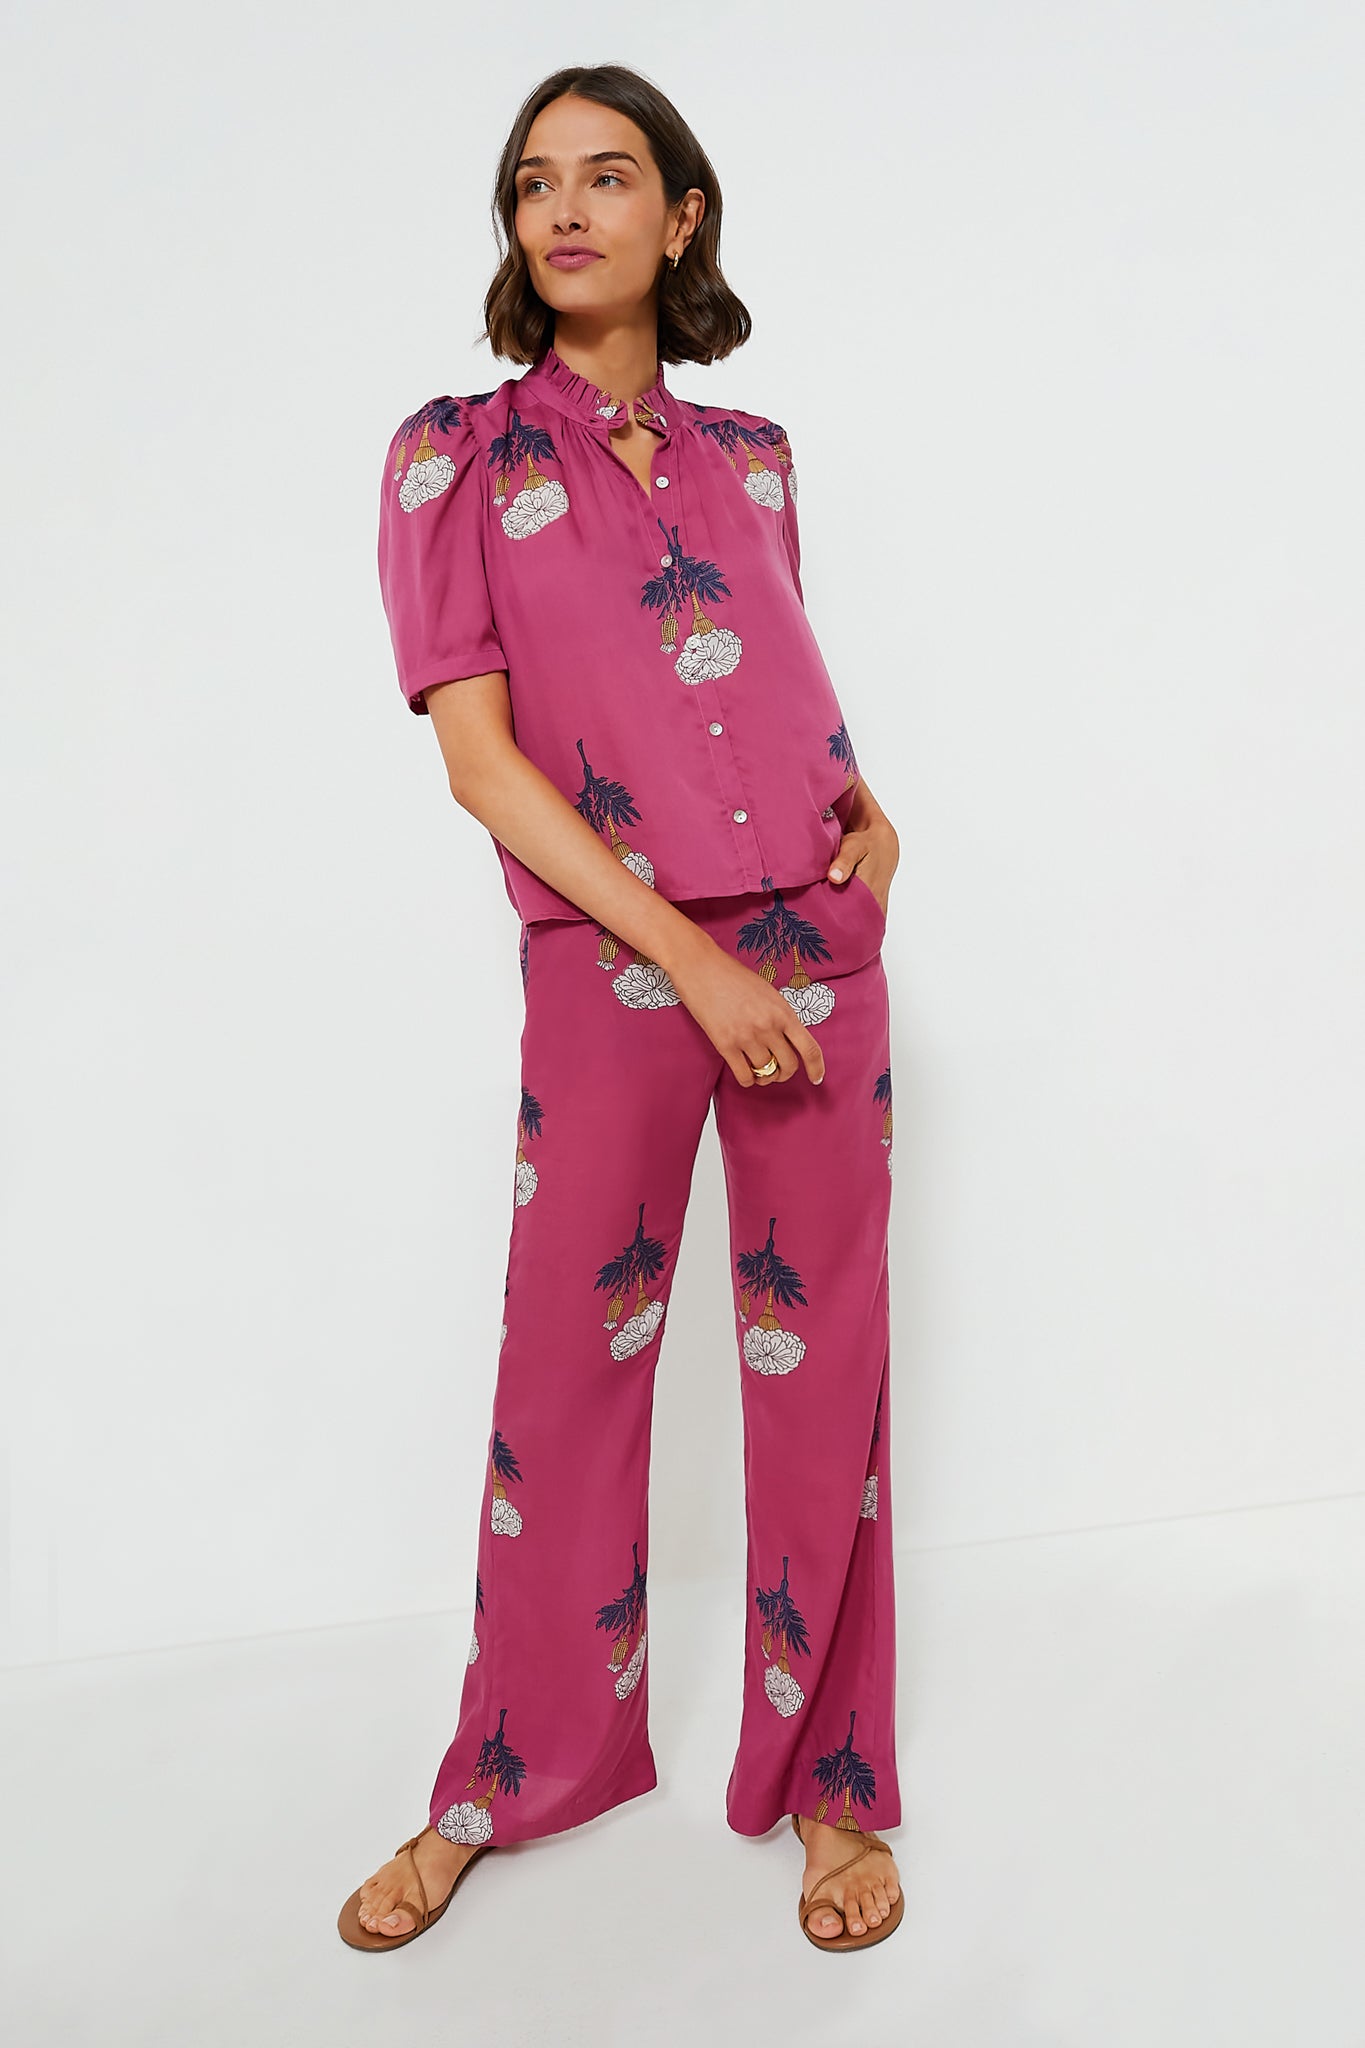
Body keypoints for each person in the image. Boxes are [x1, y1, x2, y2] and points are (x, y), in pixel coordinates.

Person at [339, 62, 904, 1955]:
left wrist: (869, 816)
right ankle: (507, 1775)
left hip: (816, 947)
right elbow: (482, 768)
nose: (566, 209)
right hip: (615, 961)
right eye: (534, 183)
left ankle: (829, 1783)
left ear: (681, 217)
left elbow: (763, 684)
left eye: (607, 176)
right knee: (563, 1381)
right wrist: (695, 958)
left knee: (823, 1371)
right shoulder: (452, 456)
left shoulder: (757, 456)